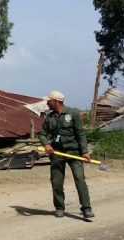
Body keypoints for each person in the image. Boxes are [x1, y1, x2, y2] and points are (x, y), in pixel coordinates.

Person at [39, 90, 95, 218]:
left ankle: (86, 208)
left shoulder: (73, 114)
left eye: (49, 101)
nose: (47, 103)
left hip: (74, 152)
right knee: (56, 181)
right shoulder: (49, 117)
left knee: (80, 179)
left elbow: (80, 134)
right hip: (57, 153)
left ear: (56, 101)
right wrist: (46, 145)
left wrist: (85, 152)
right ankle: (59, 207)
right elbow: (42, 134)